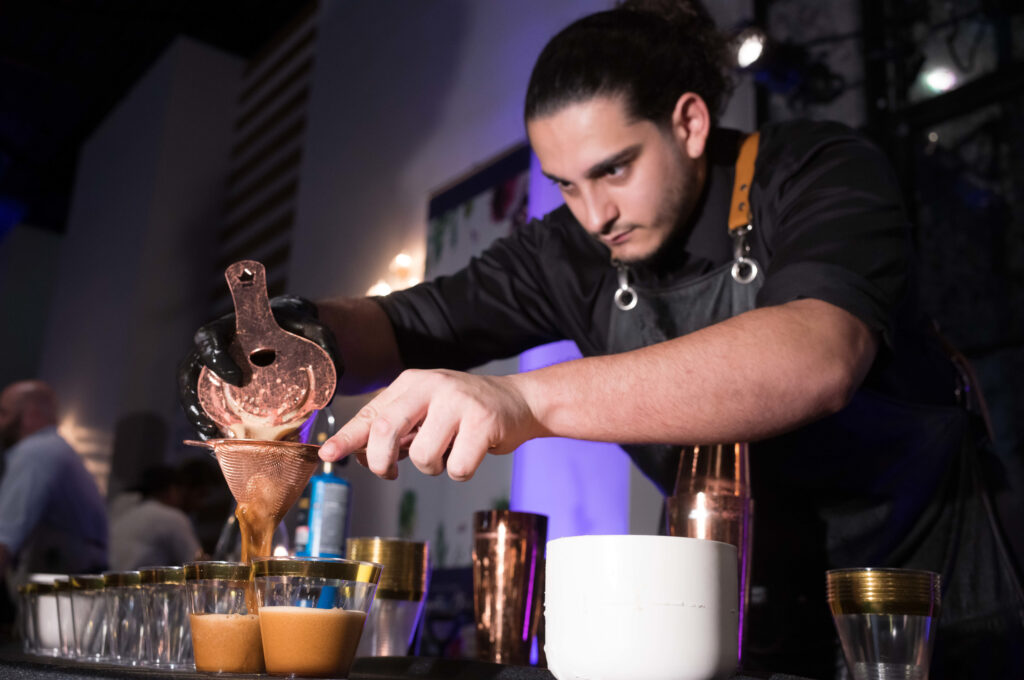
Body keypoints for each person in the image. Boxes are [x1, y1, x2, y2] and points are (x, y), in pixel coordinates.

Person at [179, 1, 1024, 677]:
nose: (594, 214)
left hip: (925, 601)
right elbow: (414, 322)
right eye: (564, 186)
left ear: (689, 123)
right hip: (722, 606)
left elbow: (815, 355)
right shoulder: (572, 250)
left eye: (615, 169)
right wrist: (284, 330)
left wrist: (517, 399)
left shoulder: (816, 171)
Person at [0, 380, 108, 585]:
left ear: (30, 414)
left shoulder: (35, 453)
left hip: (62, 596)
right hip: (78, 587)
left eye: (4, 413)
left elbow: (3, 539)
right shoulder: (57, 450)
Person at [108, 464, 205, 569]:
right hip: (138, 584)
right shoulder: (173, 518)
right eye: (201, 495)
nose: (200, 504)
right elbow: (197, 566)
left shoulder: (128, 511)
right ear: (171, 490)